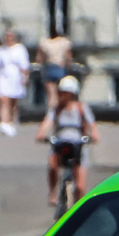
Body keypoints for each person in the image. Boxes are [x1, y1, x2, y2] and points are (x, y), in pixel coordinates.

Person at [36, 73, 100, 205]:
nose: (62, 95)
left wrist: (94, 135)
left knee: (80, 187)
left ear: (72, 94)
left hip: (78, 145)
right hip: (60, 144)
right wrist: (41, 133)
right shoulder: (56, 109)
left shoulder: (82, 108)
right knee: (53, 164)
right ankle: (53, 192)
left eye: (65, 92)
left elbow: (92, 125)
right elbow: (47, 123)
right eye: (61, 92)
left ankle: (76, 211)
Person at [0, 30, 30, 135]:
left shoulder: (20, 49)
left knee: (13, 101)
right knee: (4, 99)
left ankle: (11, 121)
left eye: (10, 36)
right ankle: (4, 122)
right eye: (6, 36)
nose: (8, 38)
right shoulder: (1, 50)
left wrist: (24, 77)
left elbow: (24, 65)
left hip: (16, 77)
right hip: (4, 77)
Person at [37, 29, 74, 94]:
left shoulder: (45, 42)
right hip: (60, 66)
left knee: (51, 94)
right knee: (61, 92)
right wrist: (69, 66)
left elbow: (39, 58)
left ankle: (52, 103)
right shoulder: (64, 42)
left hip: (49, 66)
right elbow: (68, 57)